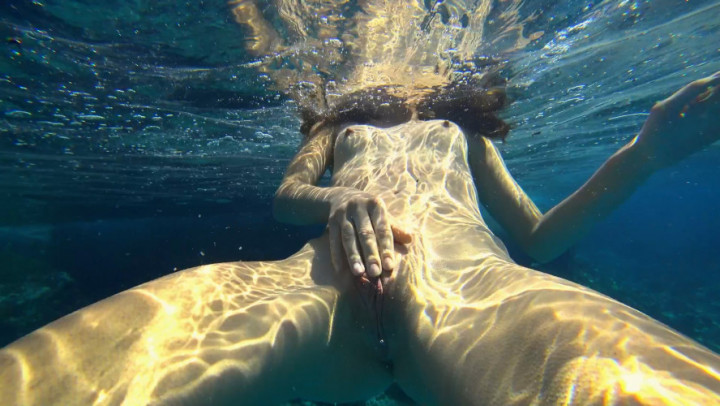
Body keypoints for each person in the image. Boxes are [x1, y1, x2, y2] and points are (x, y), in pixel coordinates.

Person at [1, 74, 719, 406]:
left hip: (476, 294)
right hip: (315, 289)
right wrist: (338, 195)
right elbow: (286, 197)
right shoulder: (333, 129)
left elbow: (538, 234)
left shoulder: (465, 134)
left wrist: (642, 157)